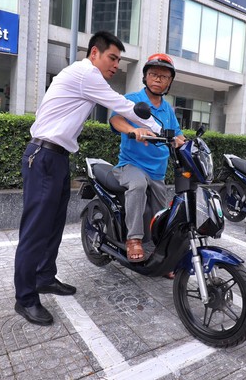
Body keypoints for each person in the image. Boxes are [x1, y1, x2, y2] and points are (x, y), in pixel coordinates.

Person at [14, 31, 162, 326]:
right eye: (112, 58)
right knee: (35, 230)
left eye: (119, 60)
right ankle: (25, 298)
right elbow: (122, 106)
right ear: (94, 53)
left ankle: (44, 277)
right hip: (43, 156)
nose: (116, 65)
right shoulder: (86, 74)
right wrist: (160, 129)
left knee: (53, 225)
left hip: (56, 157)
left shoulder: (84, 76)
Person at [109, 53, 185, 264]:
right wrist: (134, 130)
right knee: (137, 185)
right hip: (131, 165)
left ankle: (162, 253)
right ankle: (133, 239)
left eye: (164, 76)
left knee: (164, 210)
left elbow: (177, 134)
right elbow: (116, 119)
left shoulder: (167, 109)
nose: (158, 79)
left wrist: (183, 142)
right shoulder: (134, 100)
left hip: (157, 171)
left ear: (170, 81)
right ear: (145, 77)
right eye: (154, 74)